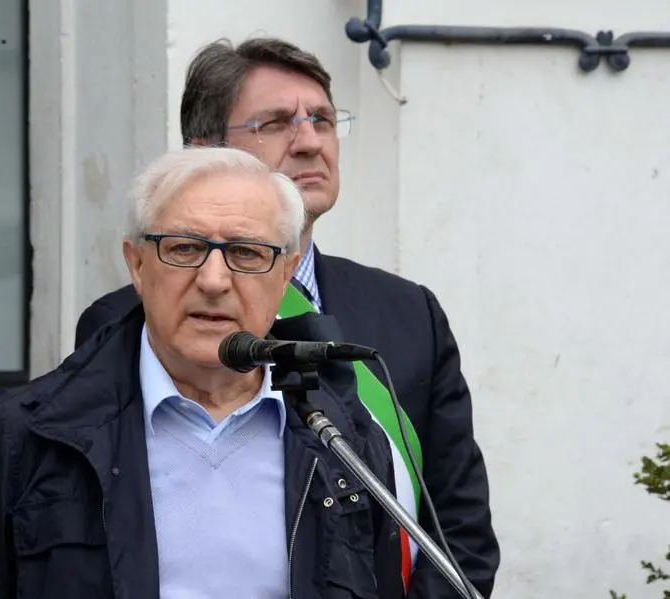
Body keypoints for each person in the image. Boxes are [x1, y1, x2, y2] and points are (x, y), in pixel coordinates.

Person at [74, 38, 500, 598]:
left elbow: (459, 528)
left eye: (322, 120)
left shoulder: (407, 310)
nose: (309, 143)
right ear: (206, 151)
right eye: (275, 123)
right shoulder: (125, 320)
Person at [0, 146, 405, 599]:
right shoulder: (19, 440)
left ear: (284, 275)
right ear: (137, 265)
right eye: (184, 248)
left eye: (246, 253)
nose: (213, 281)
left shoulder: (345, 442)